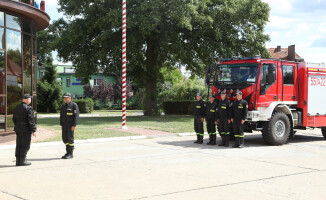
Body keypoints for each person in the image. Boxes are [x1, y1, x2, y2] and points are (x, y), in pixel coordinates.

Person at [13, 94, 36, 166]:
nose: (30, 100)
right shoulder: (28, 108)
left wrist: (17, 125)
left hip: (18, 128)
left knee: (19, 144)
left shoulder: (17, 107)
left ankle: (18, 161)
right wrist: (33, 130)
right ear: (26, 99)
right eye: (30, 99)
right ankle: (22, 161)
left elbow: (14, 119)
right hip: (25, 129)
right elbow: (31, 120)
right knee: (25, 145)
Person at [60, 92, 79, 159]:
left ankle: (70, 154)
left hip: (70, 125)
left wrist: (74, 125)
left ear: (70, 98)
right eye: (64, 97)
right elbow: (61, 115)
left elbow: (76, 116)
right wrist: (61, 124)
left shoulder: (74, 105)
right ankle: (67, 152)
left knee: (70, 139)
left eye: (66, 97)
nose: (65, 99)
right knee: (65, 138)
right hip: (64, 125)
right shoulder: (63, 106)